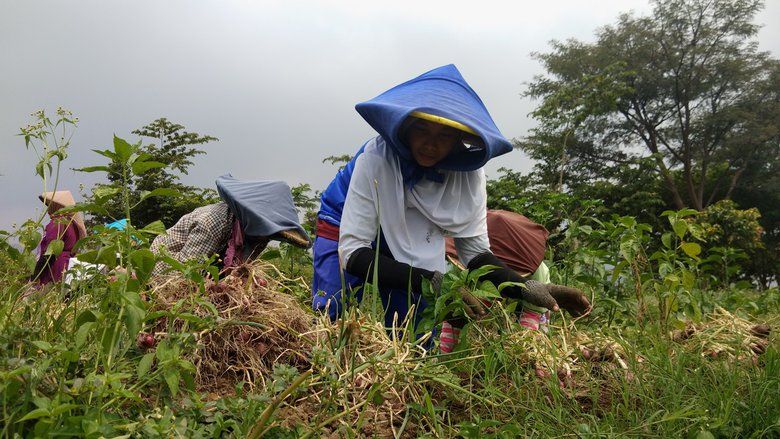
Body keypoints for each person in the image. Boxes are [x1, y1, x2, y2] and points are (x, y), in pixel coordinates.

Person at [311, 65, 590, 340]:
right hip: (345, 219)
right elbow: (353, 253)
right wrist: (437, 283)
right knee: (331, 313)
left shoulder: (468, 177)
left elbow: (476, 256)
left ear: (460, 139)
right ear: (405, 128)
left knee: (416, 330)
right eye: (422, 130)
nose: (430, 144)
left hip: (414, 232)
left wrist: (525, 288)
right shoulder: (376, 158)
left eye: (444, 135)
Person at [442, 209, 591, 351]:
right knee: (465, 316)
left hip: (528, 301)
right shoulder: (463, 264)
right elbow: (452, 306)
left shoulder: (536, 273)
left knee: (535, 338)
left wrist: (523, 353)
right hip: (485, 300)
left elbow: (529, 326)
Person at [150, 175, 310, 276]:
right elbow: (185, 275)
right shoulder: (211, 223)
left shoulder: (258, 237)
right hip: (161, 271)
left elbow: (239, 271)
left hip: (202, 274)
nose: (266, 237)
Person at [30, 191, 87, 284]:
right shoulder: (72, 224)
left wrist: (35, 274)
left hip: (54, 267)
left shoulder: (57, 223)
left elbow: (50, 252)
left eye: (50, 205)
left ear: (57, 206)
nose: (48, 209)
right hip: (67, 266)